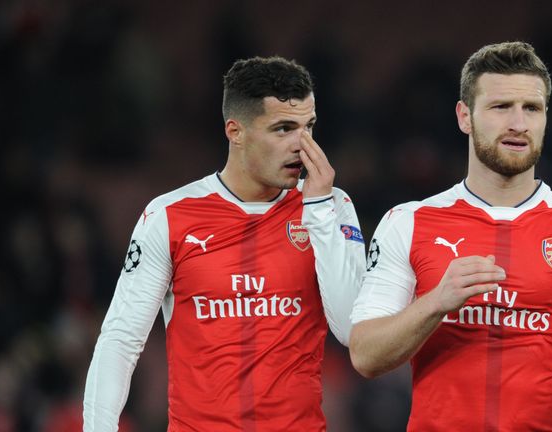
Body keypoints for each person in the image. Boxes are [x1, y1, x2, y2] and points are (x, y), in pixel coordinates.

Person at [349, 42, 552, 431]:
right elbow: (365, 355)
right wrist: (435, 303)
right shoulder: (408, 221)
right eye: (500, 107)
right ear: (465, 116)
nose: (518, 123)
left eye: (532, 108)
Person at [83, 56, 365, 431]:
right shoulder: (170, 215)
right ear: (236, 131)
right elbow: (121, 339)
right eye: (283, 129)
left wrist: (318, 210)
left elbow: (350, 329)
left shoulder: (332, 206)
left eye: (308, 126)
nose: (303, 145)